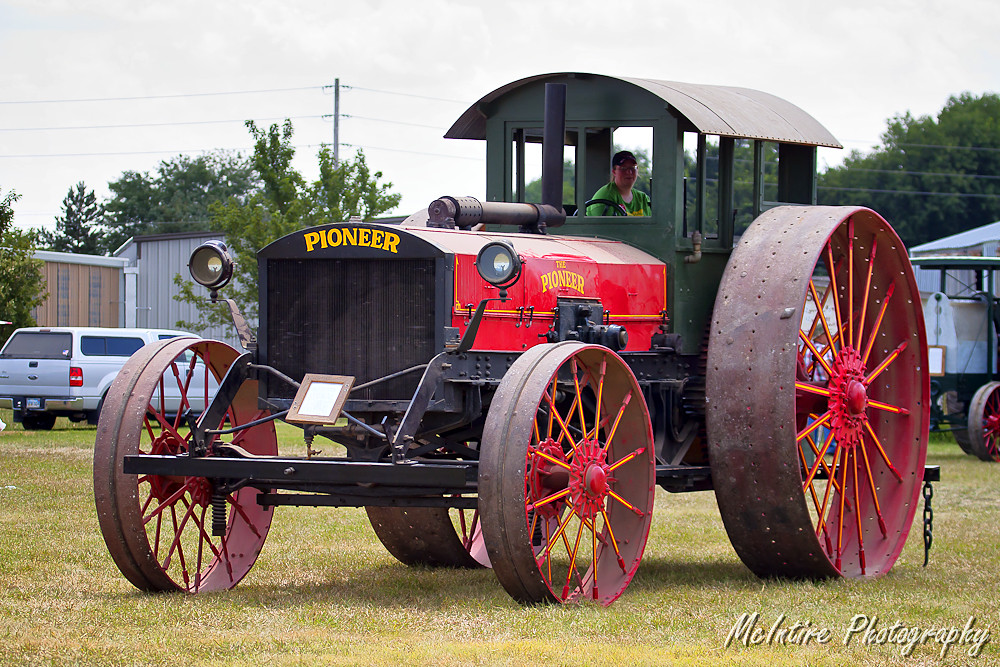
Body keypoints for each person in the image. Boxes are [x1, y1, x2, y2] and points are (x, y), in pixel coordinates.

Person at [586, 150, 651, 216]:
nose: (629, 172)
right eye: (623, 168)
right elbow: (602, 226)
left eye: (632, 168)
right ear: (614, 171)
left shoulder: (643, 199)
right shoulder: (605, 197)